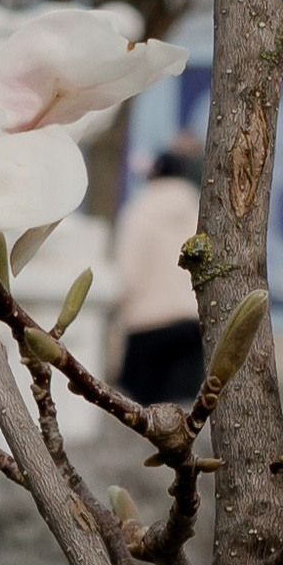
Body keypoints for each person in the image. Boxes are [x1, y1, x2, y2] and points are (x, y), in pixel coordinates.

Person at [113, 137, 207, 406]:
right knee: (184, 411)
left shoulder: (138, 212)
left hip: (146, 325)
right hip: (190, 323)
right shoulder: (199, 212)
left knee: (145, 414)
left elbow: (128, 272)